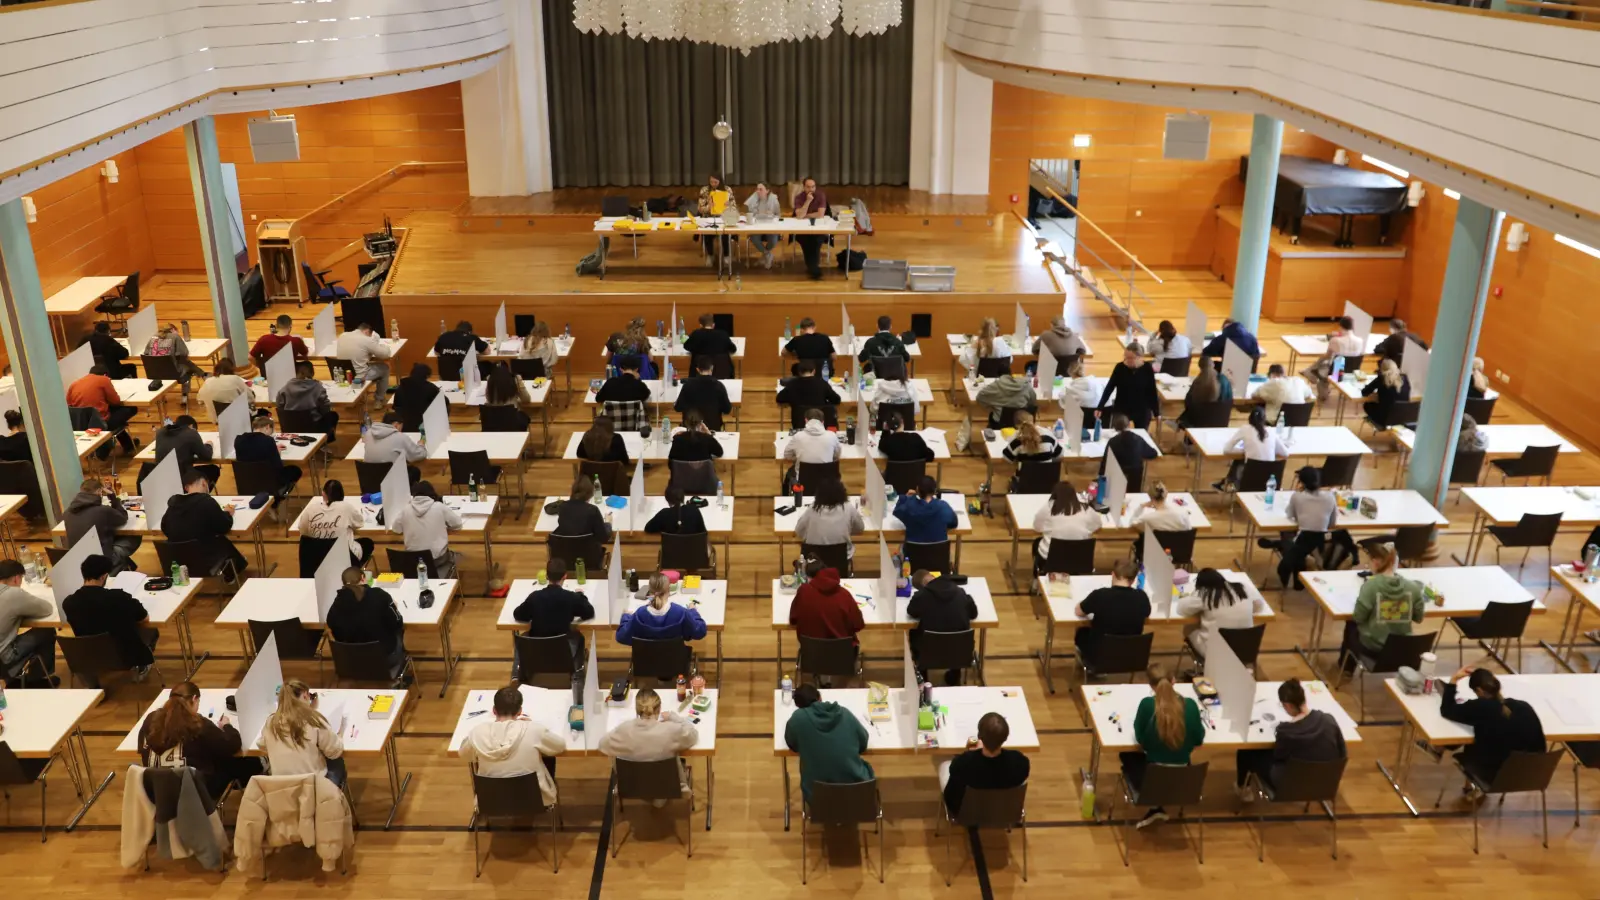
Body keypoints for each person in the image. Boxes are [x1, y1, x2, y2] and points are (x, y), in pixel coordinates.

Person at [137, 680, 263, 797]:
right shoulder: (197, 724)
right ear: (194, 699)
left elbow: (142, 749)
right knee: (230, 761)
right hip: (196, 794)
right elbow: (233, 745)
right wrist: (227, 726)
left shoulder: (150, 720)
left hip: (157, 792)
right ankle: (262, 766)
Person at [1122, 662, 1206, 828]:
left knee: (1126, 755)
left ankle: (1155, 806)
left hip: (1151, 782)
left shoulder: (1147, 706)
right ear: (1173, 680)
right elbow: (1199, 739)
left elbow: (1140, 740)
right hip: (1183, 780)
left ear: (1151, 685)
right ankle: (1160, 804)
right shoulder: (1190, 706)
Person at [1234, 678, 1347, 799]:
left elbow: (1278, 756)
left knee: (1246, 752)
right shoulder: (1328, 719)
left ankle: (1244, 791)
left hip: (1290, 785)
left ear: (1287, 705)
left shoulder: (1286, 732)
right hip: (1325, 782)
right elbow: (1342, 752)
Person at [461, 685, 567, 806]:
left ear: (494, 710)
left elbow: (464, 754)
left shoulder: (478, 732)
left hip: (491, 800)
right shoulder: (534, 730)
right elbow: (559, 746)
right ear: (520, 711)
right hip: (534, 798)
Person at [1439, 667, 1546, 786]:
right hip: (1532, 775)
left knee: (1471, 740)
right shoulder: (1524, 707)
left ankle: (1440, 750)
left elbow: (1447, 710)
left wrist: (1454, 680)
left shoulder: (1481, 707)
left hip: (1494, 775)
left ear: (1479, 690)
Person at [62, 553, 157, 680]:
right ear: (104, 576)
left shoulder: (68, 603)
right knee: (152, 631)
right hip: (124, 655)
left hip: (89, 655)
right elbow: (144, 619)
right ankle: (142, 666)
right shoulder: (119, 597)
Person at [1262, 466, 1358, 589]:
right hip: (1323, 541)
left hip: (1305, 541)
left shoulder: (1297, 497)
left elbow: (1290, 515)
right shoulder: (1330, 496)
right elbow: (1332, 523)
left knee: (1286, 533)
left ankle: (1278, 544)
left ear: (1301, 482)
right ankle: (1277, 544)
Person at [598, 688, 700, 802]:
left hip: (633, 786)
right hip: (668, 787)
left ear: (637, 710)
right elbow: (693, 735)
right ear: (659, 708)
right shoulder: (671, 730)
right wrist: (673, 717)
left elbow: (602, 744)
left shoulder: (624, 730)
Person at [1338, 541, 1425, 670]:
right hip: (1403, 648)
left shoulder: (1370, 586)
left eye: (1369, 563)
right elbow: (1418, 618)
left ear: (1376, 562)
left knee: (1351, 624)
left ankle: (1346, 669)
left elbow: (1359, 617)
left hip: (1374, 648)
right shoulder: (1413, 587)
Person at [512, 558, 596, 691]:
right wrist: (581, 596)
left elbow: (518, 614)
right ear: (565, 576)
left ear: (546, 575)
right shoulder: (571, 597)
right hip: (563, 649)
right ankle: (577, 677)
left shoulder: (535, 597)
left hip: (536, 649)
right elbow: (589, 612)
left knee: (522, 639)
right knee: (579, 637)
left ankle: (516, 676)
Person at [784, 682, 873, 801]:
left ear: (798, 706)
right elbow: (863, 743)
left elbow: (792, 744)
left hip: (818, 798)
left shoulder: (797, 720)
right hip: (857, 794)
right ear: (820, 697)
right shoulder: (844, 713)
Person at [327, 567, 409, 685]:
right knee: (398, 631)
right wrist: (391, 607)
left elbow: (334, 630)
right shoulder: (380, 596)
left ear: (343, 584)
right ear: (363, 578)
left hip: (352, 660)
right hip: (385, 658)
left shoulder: (336, 605)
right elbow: (397, 622)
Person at [941, 712, 1031, 816]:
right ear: (1005, 738)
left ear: (980, 737)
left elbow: (950, 791)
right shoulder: (1020, 763)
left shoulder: (963, 763)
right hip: (1003, 809)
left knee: (943, 762)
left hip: (966, 811)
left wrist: (973, 753)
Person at [161, 469, 249, 576]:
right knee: (220, 539)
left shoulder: (173, 505)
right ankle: (232, 572)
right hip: (204, 559)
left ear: (186, 488)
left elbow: (165, 528)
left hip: (178, 561)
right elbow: (224, 526)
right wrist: (227, 513)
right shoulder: (206, 502)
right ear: (204, 483)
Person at [260, 679, 346, 787]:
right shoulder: (314, 720)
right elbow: (334, 751)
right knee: (337, 761)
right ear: (305, 695)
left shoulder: (271, 721)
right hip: (314, 790)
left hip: (281, 791)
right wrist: (340, 736)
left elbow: (262, 745)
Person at [906, 568, 978, 685]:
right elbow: (973, 613)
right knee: (957, 632)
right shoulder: (959, 591)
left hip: (929, 652)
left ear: (922, 586)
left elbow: (911, 611)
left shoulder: (922, 596)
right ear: (931, 576)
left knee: (914, 633)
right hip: (959, 652)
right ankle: (955, 675)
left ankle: (923, 676)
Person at [1074, 557, 1151, 660]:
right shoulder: (1142, 597)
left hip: (1099, 655)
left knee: (1082, 633)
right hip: (1130, 655)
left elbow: (1079, 611)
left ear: (1113, 574)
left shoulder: (1100, 595)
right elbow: (1146, 614)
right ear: (1133, 580)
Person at [1175, 568, 1254, 663]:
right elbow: (1259, 605)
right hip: (1245, 649)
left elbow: (1181, 609)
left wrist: (1191, 595)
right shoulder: (1242, 588)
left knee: (1188, 627)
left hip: (1215, 651)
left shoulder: (1205, 594)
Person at [64, 478, 140, 574]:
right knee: (134, 536)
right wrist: (113, 497)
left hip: (77, 560)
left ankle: (125, 565)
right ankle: (117, 565)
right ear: (100, 491)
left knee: (107, 537)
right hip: (102, 560)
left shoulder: (67, 513)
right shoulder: (103, 511)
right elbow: (123, 518)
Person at [0, 559, 57, 686]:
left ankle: (12, 679)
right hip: (4, 658)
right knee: (46, 632)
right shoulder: (13, 594)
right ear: (16, 578)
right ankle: (37, 681)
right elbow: (46, 609)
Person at [390, 481, 463, 577]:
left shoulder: (406, 510)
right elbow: (458, 524)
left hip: (413, 560)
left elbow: (396, 529)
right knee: (459, 556)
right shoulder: (439, 507)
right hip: (437, 560)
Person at [298, 479, 374, 569]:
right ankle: (354, 571)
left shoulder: (311, 508)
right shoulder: (346, 507)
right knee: (368, 543)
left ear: (323, 494)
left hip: (314, 561)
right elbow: (359, 523)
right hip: (344, 559)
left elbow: (302, 531)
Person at [616, 572, 708, 646]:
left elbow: (621, 637)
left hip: (646, 663)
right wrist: (693, 611)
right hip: (675, 662)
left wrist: (626, 617)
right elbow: (700, 631)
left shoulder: (640, 614)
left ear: (650, 591)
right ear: (668, 590)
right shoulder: (680, 612)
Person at [789, 559, 865, 645]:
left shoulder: (803, 591)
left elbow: (793, 620)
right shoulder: (845, 595)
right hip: (843, 655)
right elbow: (859, 625)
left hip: (811, 655)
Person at [67, 365, 137, 454]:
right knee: (131, 409)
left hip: (81, 425)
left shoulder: (74, 384)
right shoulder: (104, 380)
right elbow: (116, 401)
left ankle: (128, 445)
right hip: (101, 423)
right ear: (105, 375)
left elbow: (69, 405)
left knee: (113, 414)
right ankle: (115, 447)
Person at [1215, 407, 1288, 492]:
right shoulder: (1271, 431)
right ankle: (1225, 482)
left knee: (1239, 461)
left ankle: (1226, 482)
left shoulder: (1245, 429)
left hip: (1249, 478)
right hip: (1269, 481)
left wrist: (1245, 450)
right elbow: (1286, 453)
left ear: (1249, 418)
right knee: (1241, 461)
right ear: (1264, 419)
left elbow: (1227, 450)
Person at [233, 410, 302, 498]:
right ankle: (279, 497)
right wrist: (277, 452)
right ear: (267, 427)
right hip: (269, 484)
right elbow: (278, 466)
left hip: (247, 483)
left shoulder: (238, 440)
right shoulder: (268, 441)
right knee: (295, 470)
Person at [1032, 481, 1101, 565]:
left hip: (1051, 560)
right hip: (1078, 560)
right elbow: (1098, 524)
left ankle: (1037, 574)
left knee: (1037, 542)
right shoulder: (1086, 509)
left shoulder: (1049, 507)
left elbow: (1037, 527)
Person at [794, 478, 864, 560]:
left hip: (814, 562)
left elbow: (798, 531)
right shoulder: (848, 507)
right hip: (841, 562)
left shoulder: (812, 509)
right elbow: (860, 528)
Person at [1301, 316, 1366, 399]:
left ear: (1341, 326)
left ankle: (1320, 389)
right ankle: (1308, 371)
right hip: (1353, 373)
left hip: (1337, 373)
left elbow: (1327, 356)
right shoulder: (1360, 341)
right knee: (1326, 365)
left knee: (1322, 367)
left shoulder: (1335, 340)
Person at [1098, 344, 1161, 430]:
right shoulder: (1120, 367)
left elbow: (1152, 391)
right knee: (1118, 433)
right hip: (1122, 407)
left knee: (1141, 434)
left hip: (1141, 408)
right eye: (1126, 357)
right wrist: (1100, 407)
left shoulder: (1147, 368)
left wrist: (1157, 413)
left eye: (1131, 358)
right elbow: (1109, 388)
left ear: (1140, 357)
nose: (1127, 360)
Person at [152, 414, 221, 487]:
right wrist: (209, 445)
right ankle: (196, 496)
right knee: (214, 469)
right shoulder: (191, 433)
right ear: (191, 426)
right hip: (182, 481)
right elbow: (207, 456)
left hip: (161, 479)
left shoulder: (160, 432)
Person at [143, 323, 206, 401]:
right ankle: (184, 396)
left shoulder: (153, 337)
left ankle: (203, 374)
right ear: (173, 330)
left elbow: (146, 353)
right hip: (174, 373)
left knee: (185, 363)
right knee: (187, 364)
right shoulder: (175, 337)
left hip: (155, 373)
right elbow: (184, 353)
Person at [335, 322, 394, 402]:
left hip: (342, 375)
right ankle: (379, 399)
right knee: (385, 368)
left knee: (363, 364)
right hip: (359, 378)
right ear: (366, 331)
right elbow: (385, 354)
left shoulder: (342, 335)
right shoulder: (366, 340)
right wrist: (385, 347)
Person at [278, 360, 339, 437]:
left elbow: (279, 406)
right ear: (311, 373)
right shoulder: (317, 387)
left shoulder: (285, 388)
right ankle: (324, 442)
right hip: (312, 427)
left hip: (290, 426)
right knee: (333, 415)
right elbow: (325, 407)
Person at [362, 412, 426, 483]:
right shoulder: (400, 437)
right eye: (401, 428)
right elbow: (418, 455)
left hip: (370, 479)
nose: (400, 431)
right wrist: (421, 445)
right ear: (396, 425)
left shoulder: (368, 434)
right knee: (415, 471)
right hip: (392, 482)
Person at [1101, 413, 1159, 491]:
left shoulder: (1113, 441)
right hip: (1135, 476)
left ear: (1115, 428)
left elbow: (1105, 461)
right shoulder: (1138, 439)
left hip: (1117, 476)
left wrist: (1100, 476)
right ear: (1129, 425)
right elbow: (1153, 453)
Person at [893, 476, 957, 545]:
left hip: (912, 555)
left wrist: (905, 497)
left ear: (917, 489)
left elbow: (897, 511)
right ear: (935, 491)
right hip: (939, 555)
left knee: (900, 550)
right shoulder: (943, 506)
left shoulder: (909, 507)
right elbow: (954, 523)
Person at [777, 360, 840, 428]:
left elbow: (779, 398)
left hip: (799, 425)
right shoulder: (822, 383)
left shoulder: (792, 384)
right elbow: (836, 399)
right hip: (821, 425)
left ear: (799, 372)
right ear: (814, 371)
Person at [674, 357, 731, 431]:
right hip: (713, 429)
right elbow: (727, 409)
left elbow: (678, 408)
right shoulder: (719, 386)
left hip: (691, 429)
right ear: (712, 368)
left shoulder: (688, 385)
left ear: (697, 369)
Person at [792, 177, 831, 280]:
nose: (811, 189)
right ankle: (814, 268)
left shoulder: (821, 195)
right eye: (808, 187)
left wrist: (806, 215)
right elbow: (799, 216)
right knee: (806, 240)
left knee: (816, 240)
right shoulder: (799, 198)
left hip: (819, 228)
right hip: (802, 229)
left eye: (813, 187)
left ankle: (812, 268)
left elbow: (821, 214)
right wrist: (808, 201)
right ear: (804, 187)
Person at [554, 476, 611, 541]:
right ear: (590, 493)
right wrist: (608, 523)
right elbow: (604, 537)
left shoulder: (562, 506)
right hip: (589, 550)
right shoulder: (592, 510)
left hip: (566, 549)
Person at [1361, 358, 1412, 431]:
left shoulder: (1382, 378)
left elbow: (1365, 392)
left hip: (1384, 418)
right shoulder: (1404, 378)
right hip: (1401, 418)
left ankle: (1379, 425)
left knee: (1367, 405)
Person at [1177, 358, 1226, 431]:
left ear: (1200, 367)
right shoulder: (1224, 383)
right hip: (1218, 423)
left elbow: (1187, 404)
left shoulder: (1197, 382)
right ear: (1213, 365)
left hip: (1196, 423)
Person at [198, 357, 251, 423]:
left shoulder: (208, 381)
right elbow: (250, 397)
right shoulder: (235, 379)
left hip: (217, 419)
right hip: (237, 418)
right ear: (232, 369)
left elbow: (200, 400)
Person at [392, 363, 442, 430]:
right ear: (427, 376)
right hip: (425, 426)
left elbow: (396, 406)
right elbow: (442, 404)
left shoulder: (401, 387)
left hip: (403, 426)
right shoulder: (431, 388)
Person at [643, 485, 708, 535]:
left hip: (671, 552)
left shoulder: (663, 514)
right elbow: (703, 532)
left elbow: (648, 528)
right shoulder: (694, 511)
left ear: (667, 500)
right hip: (695, 551)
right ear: (683, 497)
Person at [746, 183, 782, 267]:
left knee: (773, 239)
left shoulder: (773, 199)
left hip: (770, 225)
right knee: (754, 238)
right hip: (757, 224)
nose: (758, 191)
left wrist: (772, 215)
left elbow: (778, 215)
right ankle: (768, 255)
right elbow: (749, 213)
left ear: (767, 191)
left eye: (760, 189)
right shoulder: (753, 198)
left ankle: (765, 256)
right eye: (757, 189)